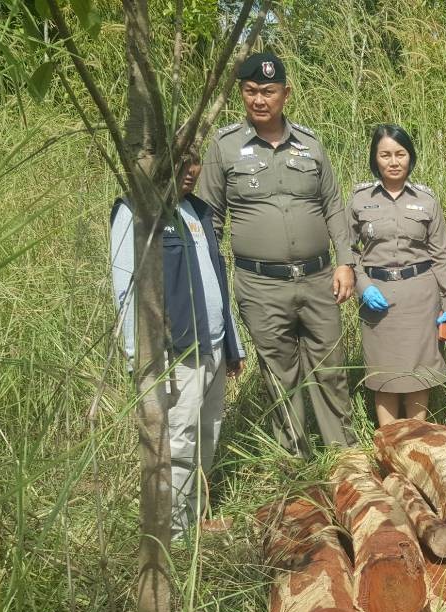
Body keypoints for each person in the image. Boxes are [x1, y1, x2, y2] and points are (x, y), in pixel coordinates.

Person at [198, 51, 356, 457]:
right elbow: (209, 219)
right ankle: (295, 461)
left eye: (268, 91)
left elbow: (333, 206)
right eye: (250, 92)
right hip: (260, 285)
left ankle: (345, 459)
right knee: (279, 375)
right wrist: (212, 285)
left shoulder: (311, 144)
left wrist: (345, 263)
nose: (259, 100)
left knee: (331, 370)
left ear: (285, 93)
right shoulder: (225, 147)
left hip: (320, 279)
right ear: (242, 94)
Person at [110, 152, 245, 540]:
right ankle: (177, 537)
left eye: (194, 162)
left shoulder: (197, 211)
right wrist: (140, 358)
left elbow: (215, 280)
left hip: (213, 344)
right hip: (176, 352)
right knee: (179, 442)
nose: (189, 171)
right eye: (178, 161)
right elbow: (126, 291)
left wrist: (232, 346)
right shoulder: (136, 212)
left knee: (207, 435)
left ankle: (197, 518)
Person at [348, 124, 446, 424]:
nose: (393, 161)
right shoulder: (360, 198)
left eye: (400, 154)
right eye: (385, 155)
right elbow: (348, 251)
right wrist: (363, 286)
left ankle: (415, 438)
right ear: (375, 159)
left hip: (419, 297)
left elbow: (440, 256)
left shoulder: (426, 199)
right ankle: (389, 443)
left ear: (410, 157)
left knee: (417, 374)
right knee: (383, 375)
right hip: (377, 299)